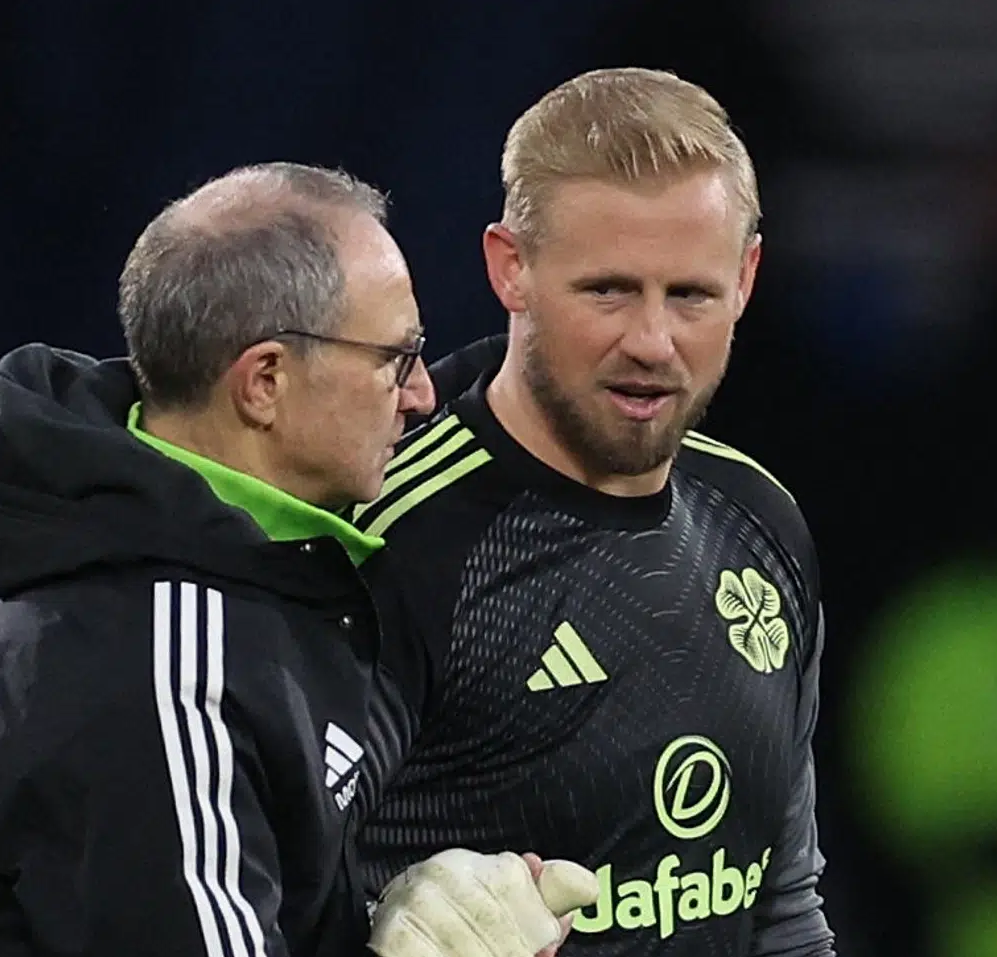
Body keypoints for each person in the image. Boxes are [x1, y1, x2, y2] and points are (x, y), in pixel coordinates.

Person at [0, 161, 595, 957]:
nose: (422, 393)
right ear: (264, 381)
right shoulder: (155, 668)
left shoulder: (186, 550)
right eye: (395, 357)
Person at [352, 69, 836, 955]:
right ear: (512, 268)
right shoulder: (385, 538)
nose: (651, 342)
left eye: (689, 294)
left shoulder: (761, 521)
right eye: (608, 290)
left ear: (746, 277)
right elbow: (247, 898)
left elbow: (781, 907)